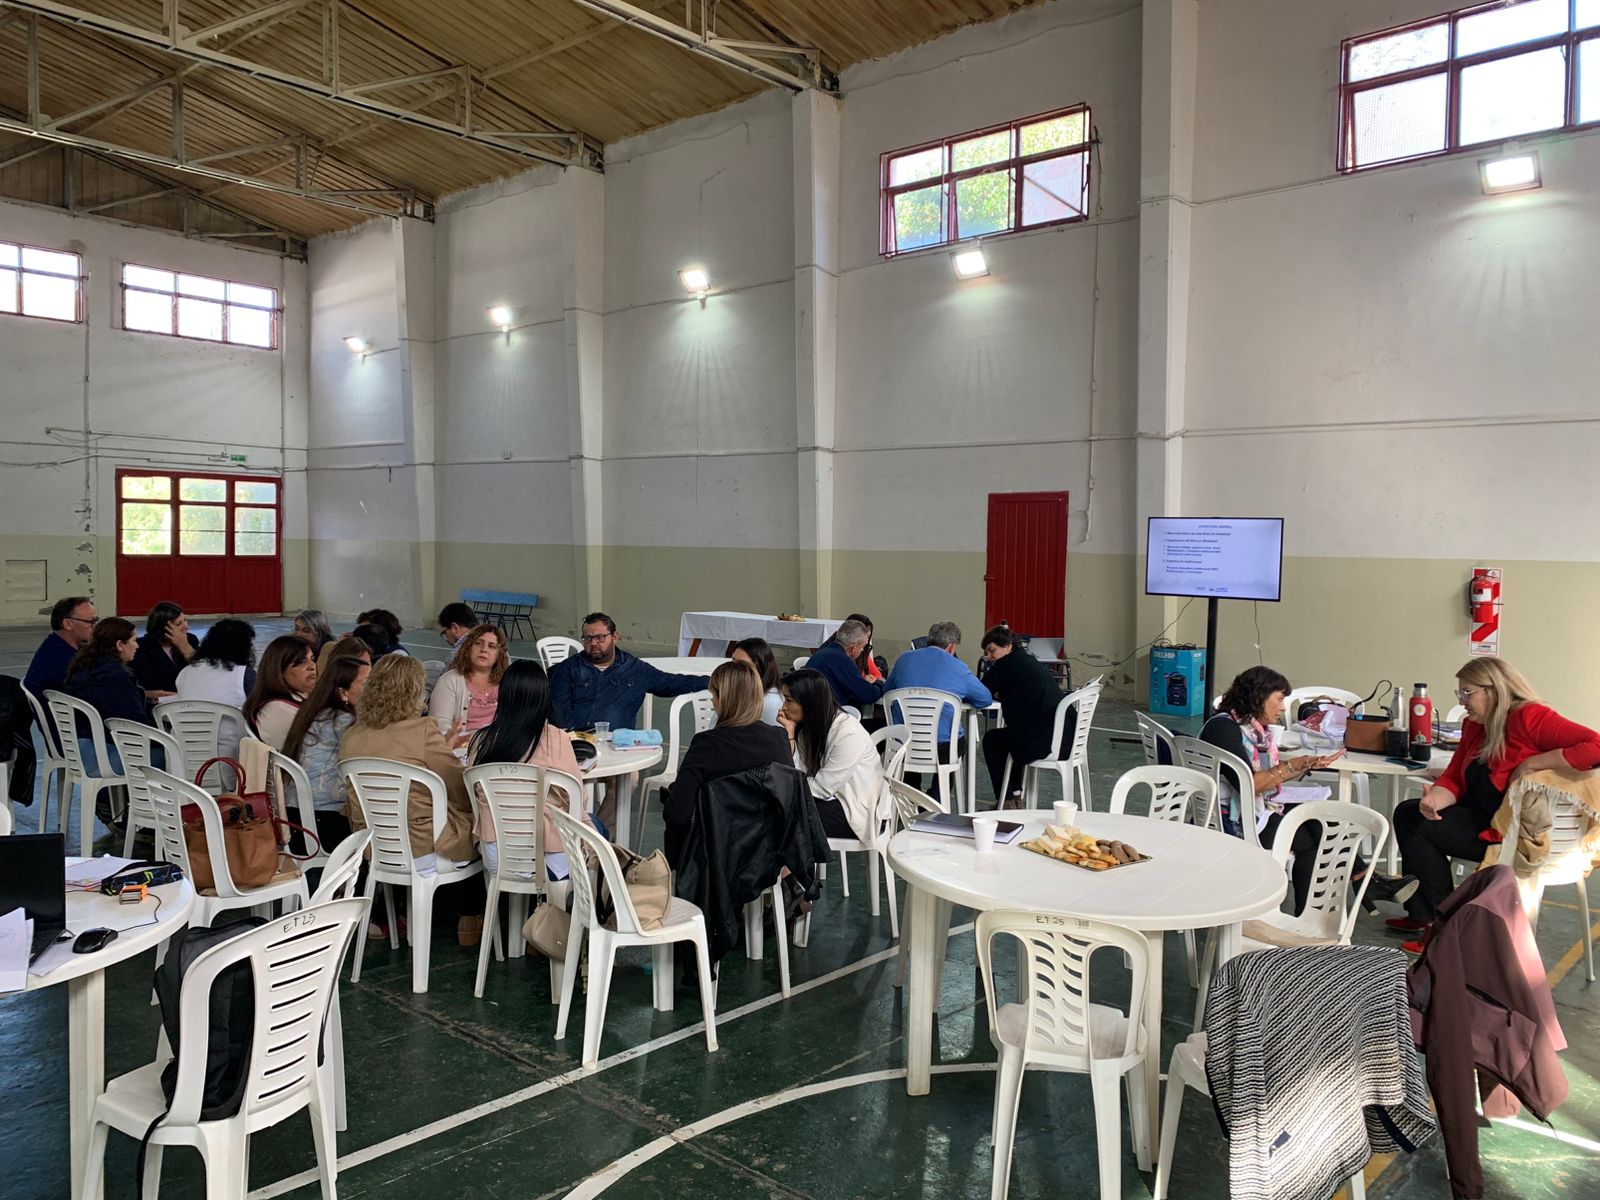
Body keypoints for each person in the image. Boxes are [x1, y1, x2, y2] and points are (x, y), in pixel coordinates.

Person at [1381, 657, 1600, 947]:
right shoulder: (1474, 725)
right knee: (1411, 814)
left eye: (1467, 692)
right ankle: (1429, 917)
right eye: (1459, 692)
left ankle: (1440, 927)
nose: (1462, 701)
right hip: (1484, 816)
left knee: (1413, 824)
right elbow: (1454, 777)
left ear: (1494, 690)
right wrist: (1435, 797)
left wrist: (1534, 763)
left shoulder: (1529, 718)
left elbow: (1596, 745)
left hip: (1509, 834)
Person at [340, 655, 484, 944]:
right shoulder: (422, 730)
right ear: (413, 691)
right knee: (483, 829)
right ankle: (471, 920)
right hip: (425, 846)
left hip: (377, 847)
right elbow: (459, 788)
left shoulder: (351, 736)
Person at [1201, 666, 1351, 914]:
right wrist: (1291, 765)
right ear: (1259, 696)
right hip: (1233, 820)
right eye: (1280, 699)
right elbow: (1250, 784)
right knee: (1318, 837)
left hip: (1245, 809)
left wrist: (1302, 764)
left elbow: (1261, 780)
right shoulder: (1223, 730)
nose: (1282, 708)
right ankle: (1312, 916)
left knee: (1323, 822)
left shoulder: (1244, 728)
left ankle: (1361, 881)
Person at [467, 660, 593, 878]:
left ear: (503, 696)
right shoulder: (556, 738)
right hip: (549, 858)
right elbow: (576, 797)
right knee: (596, 826)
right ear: (544, 698)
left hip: (496, 854)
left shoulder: (481, 739)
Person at [662, 661, 792, 868]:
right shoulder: (779, 738)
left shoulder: (706, 744)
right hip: (767, 855)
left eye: (713, 695)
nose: (712, 701)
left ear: (724, 699)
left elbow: (679, 815)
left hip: (714, 858)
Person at [549, 612, 709, 731]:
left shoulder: (634, 669)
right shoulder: (567, 669)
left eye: (600, 637)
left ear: (615, 637)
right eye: (588, 638)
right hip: (576, 744)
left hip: (618, 747)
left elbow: (671, 683)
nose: (593, 643)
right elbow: (558, 714)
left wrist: (711, 681)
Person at [779, 668, 882, 842]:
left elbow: (822, 789)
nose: (783, 707)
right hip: (833, 797)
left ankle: (792, 862)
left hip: (858, 809)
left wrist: (785, 787)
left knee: (785, 816)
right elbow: (799, 771)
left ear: (809, 702)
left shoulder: (848, 734)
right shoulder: (809, 726)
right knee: (777, 808)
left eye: (789, 700)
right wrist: (790, 735)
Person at [282, 655, 370, 851]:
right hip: (324, 821)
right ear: (343, 692)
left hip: (295, 816)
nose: (375, 688)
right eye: (367, 682)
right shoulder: (344, 721)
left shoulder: (313, 713)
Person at [979, 625, 1063, 806]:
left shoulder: (1005, 664)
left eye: (992, 650)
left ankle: (1006, 801)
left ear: (1008, 646)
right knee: (1013, 735)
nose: (989, 656)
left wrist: (998, 693)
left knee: (992, 740)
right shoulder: (1027, 660)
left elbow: (982, 692)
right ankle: (1015, 794)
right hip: (1061, 736)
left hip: (1041, 741)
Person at [62, 617, 153, 776]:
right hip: (106, 757)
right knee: (174, 756)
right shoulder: (116, 678)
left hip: (78, 751)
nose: (137, 646)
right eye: (134, 641)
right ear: (119, 645)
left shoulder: (83, 668)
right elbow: (134, 725)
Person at [175, 617, 256, 759]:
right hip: (229, 761)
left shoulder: (185, 672)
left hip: (182, 760)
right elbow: (260, 716)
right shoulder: (244, 675)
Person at [430, 624, 507, 747]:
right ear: (468, 648)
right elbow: (439, 725)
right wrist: (462, 740)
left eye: (491, 646)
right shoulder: (449, 680)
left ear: (499, 654)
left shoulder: (507, 682)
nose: (484, 649)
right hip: (458, 749)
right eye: (478, 643)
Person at [244, 635, 318, 751]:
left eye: (312, 659)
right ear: (280, 671)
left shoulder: (301, 697)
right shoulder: (279, 709)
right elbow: (319, 749)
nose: (312, 666)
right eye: (301, 662)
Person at [804, 619, 885, 711]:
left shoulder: (824, 651)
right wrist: (880, 683)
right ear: (853, 648)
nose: (862, 650)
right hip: (827, 713)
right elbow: (868, 695)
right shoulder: (841, 660)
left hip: (812, 707)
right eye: (862, 647)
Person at [25, 595, 96, 698]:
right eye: (89, 621)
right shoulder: (61, 659)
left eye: (95, 621)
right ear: (68, 624)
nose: (94, 627)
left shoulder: (54, 645)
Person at [130, 600, 199, 698]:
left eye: (185, 620)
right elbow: (150, 680)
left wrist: (185, 647)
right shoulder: (142, 647)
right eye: (178, 624)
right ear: (164, 628)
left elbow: (201, 670)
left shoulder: (191, 640)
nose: (186, 627)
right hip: (162, 699)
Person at [731, 637, 784, 726]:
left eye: (741, 664)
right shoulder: (743, 690)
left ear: (759, 666)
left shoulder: (770, 703)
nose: (732, 668)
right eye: (733, 661)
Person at [843, 612, 888, 683]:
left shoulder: (863, 654)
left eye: (868, 636)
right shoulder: (839, 656)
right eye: (865, 636)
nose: (867, 641)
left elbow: (878, 676)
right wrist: (863, 681)